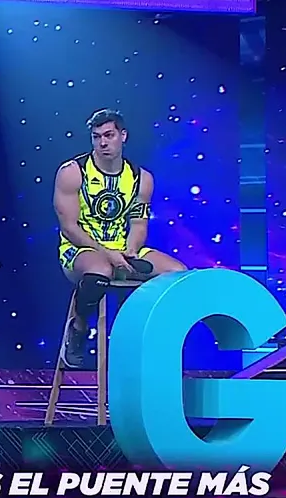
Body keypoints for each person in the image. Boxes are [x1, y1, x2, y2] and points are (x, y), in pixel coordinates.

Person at [53, 108, 186, 367]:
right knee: (101, 269)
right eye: (96, 137)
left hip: (122, 248)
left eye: (109, 135)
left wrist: (131, 251)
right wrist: (108, 254)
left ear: (122, 136)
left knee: (176, 273)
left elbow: (138, 224)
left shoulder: (141, 179)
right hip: (80, 249)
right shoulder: (72, 173)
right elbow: (69, 228)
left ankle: (142, 336)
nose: (102, 143)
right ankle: (78, 328)